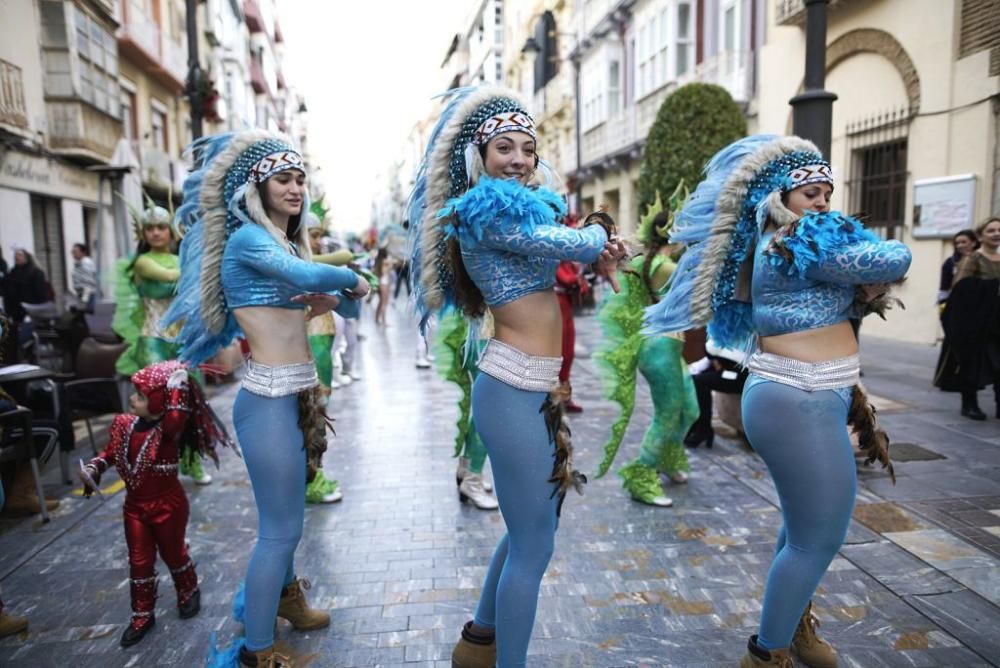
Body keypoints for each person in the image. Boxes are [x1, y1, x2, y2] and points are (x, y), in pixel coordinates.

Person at [646, 135, 911, 667]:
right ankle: (767, 655)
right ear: (778, 197)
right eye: (808, 191)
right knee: (820, 535)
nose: (819, 202)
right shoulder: (793, 242)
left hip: (814, 393)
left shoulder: (795, 242)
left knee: (801, 527)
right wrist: (870, 271)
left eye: (826, 194)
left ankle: (791, 630)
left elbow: (859, 280)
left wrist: (862, 288)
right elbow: (895, 254)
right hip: (798, 396)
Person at [408, 86, 625, 668]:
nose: (520, 158)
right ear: (481, 156)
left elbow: (569, 243)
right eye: (505, 147)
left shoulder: (523, 207)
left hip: (537, 390)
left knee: (534, 525)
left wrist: (597, 248)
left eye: (529, 148)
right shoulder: (482, 211)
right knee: (536, 543)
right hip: (511, 389)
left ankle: (480, 640)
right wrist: (597, 239)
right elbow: (569, 241)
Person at [164, 130, 368, 668]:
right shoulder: (248, 240)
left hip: (299, 401)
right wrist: (356, 278)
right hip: (267, 403)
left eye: (301, 178)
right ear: (257, 187)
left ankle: (284, 599)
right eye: (284, 178)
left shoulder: (285, 246)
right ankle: (256, 653)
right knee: (279, 532)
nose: (296, 187)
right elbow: (312, 277)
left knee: (291, 522)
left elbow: (342, 310)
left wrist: (342, 296)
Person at [80, 360, 232, 647]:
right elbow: (110, 452)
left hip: (168, 505)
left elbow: (175, 417)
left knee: (173, 552)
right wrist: (93, 469)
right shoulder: (123, 424)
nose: (132, 399)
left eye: (140, 395)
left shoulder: (167, 431)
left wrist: (177, 387)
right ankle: (142, 613)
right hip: (134, 506)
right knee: (138, 561)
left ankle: (188, 589)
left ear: (157, 401)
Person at [594, 189, 699, 507]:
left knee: (690, 410)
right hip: (660, 348)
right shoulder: (665, 267)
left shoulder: (657, 262)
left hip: (669, 346)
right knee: (667, 415)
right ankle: (642, 475)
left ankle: (667, 457)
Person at [113, 201, 214, 486]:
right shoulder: (143, 262)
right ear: (143, 234)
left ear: (170, 231)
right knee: (155, 406)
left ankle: (192, 460)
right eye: (150, 228)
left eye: (161, 227)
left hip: (182, 342)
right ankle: (151, 464)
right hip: (152, 340)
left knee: (191, 402)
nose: (156, 233)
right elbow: (171, 277)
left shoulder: (183, 258)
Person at [433, 308, 497, 510]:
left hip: (477, 330)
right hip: (480, 335)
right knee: (489, 412)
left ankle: (468, 468)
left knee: (483, 410)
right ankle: (472, 481)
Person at [939, 217, 1000, 420]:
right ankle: (970, 404)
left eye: (999, 230)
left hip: (997, 322)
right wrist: (992, 287)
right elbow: (961, 289)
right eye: (991, 230)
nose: (996, 234)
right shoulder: (973, 258)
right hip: (977, 322)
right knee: (973, 363)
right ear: (981, 235)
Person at [554, 256, 587, 412]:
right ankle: (555, 398)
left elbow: (575, 282)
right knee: (559, 351)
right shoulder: (556, 255)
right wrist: (578, 278)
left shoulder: (567, 259)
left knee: (567, 352)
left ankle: (564, 397)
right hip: (555, 303)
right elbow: (567, 279)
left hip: (564, 303)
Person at [937, 229, 978, 306]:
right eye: (957, 243)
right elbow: (944, 287)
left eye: (963, 242)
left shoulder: (982, 259)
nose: (960, 245)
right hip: (958, 302)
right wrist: (943, 303)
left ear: (974, 243)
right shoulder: (950, 262)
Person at [71, 242, 100, 312]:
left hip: (87, 296)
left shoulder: (85, 264)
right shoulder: (79, 263)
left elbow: (88, 283)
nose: (73, 254)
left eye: (75, 252)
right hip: (82, 295)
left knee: (88, 317)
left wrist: (84, 300)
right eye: (72, 252)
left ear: (83, 252)